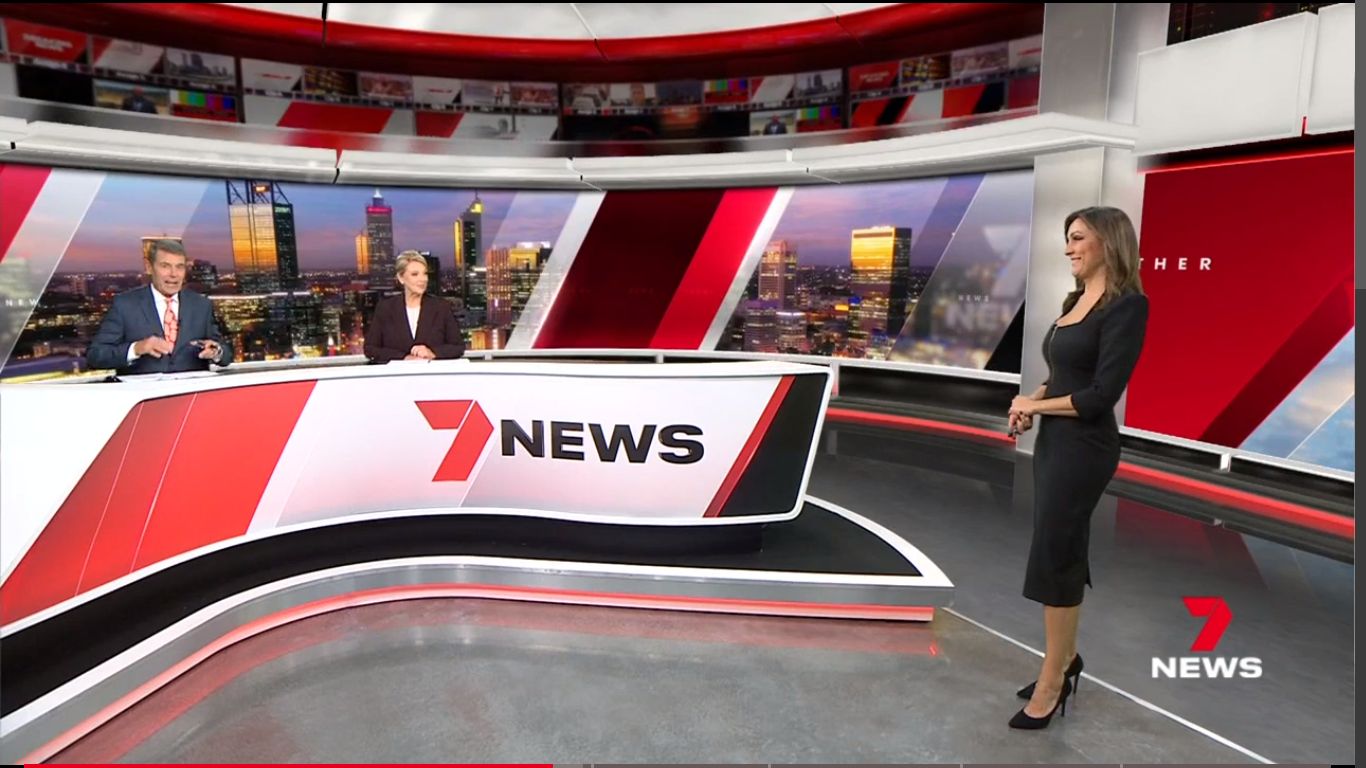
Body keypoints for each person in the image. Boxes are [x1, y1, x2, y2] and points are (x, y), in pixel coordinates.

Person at [1005, 206, 1148, 729]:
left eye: (1078, 238)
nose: (1068, 247)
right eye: (1067, 238)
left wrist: (1036, 405)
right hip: (1054, 443)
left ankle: (1053, 680)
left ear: (1108, 242)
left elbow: (1099, 395)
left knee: (1055, 554)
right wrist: (1031, 402)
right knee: (1062, 549)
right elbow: (1063, 375)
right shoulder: (1075, 300)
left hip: (1085, 448)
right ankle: (1065, 659)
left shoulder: (1128, 306)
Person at [87, 240, 232, 375]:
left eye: (179, 267)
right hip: (145, 392)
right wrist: (137, 348)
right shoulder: (125, 305)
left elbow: (227, 353)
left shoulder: (201, 305)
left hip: (191, 392)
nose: (174, 274)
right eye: (165, 266)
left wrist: (217, 351)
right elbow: (95, 356)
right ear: (149, 267)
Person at [364, 251, 466, 362]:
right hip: (398, 372)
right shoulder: (385, 309)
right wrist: (404, 358)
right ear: (401, 278)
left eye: (425, 274)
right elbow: (370, 349)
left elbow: (458, 347)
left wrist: (432, 352)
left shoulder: (441, 307)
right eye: (415, 274)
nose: (423, 279)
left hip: (432, 372)